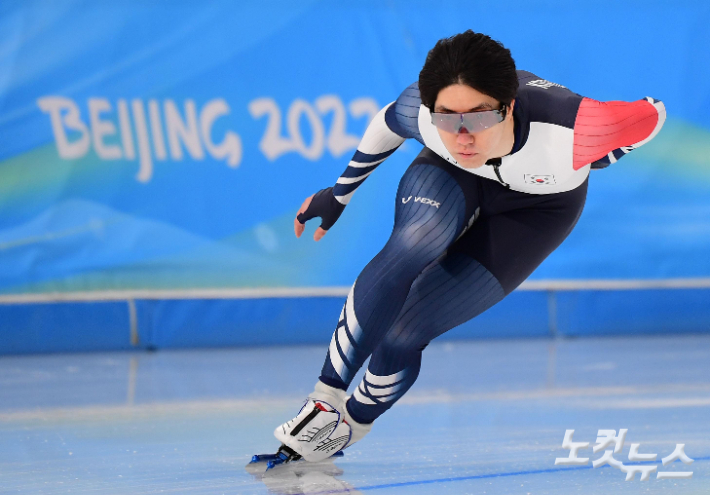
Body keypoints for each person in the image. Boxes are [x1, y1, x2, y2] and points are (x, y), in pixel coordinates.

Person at [265, 30, 666, 465]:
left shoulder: (573, 132)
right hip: (453, 176)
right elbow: (385, 122)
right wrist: (339, 193)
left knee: (405, 333)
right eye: (448, 118)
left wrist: (610, 149)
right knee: (413, 243)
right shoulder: (426, 115)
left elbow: (653, 114)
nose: (463, 136)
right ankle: (324, 398)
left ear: (509, 107)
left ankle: (349, 425)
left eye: (477, 118)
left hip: (537, 210)